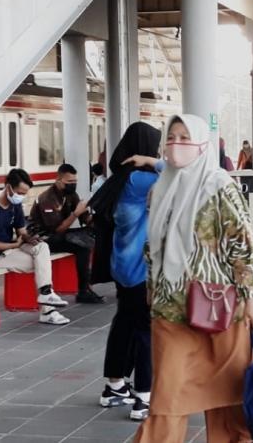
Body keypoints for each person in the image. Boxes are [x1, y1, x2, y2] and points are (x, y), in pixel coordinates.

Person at [133, 114, 253, 442]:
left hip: (221, 309)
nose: (177, 144)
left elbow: (241, 243)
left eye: (186, 137)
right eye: (172, 136)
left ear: (202, 145)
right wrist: (151, 285)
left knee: (229, 400)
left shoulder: (219, 186)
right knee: (166, 399)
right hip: (171, 311)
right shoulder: (161, 189)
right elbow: (153, 246)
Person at [90, 122, 163, 421]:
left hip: (121, 266)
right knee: (146, 331)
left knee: (124, 324)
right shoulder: (139, 179)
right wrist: (151, 162)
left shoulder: (117, 179)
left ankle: (115, 386)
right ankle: (144, 398)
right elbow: (185, 174)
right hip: (139, 270)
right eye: (154, 147)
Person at [0, 168, 72, 325]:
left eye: (25, 193)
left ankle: (46, 293)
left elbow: (21, 230)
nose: (22, 196)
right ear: (8, 187)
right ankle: (48, 310)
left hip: (12, 248)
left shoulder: (15, 206)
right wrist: (15, 244)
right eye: (20, 192)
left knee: (43, 248)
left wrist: (29, 238)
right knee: (41, 263)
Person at [29, 163, 104, 304]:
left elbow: (86, 219)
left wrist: (98, 216)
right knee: (82, 246)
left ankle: (88, 286)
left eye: (75, 182)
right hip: (43, 239)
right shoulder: (47, 198)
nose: (73, 185)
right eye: (69, 182)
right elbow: (57, 229)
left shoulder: (70, 195)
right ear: (58, 180)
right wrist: (76, 213)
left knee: (91, 236)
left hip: (57, 235)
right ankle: (83, 290)